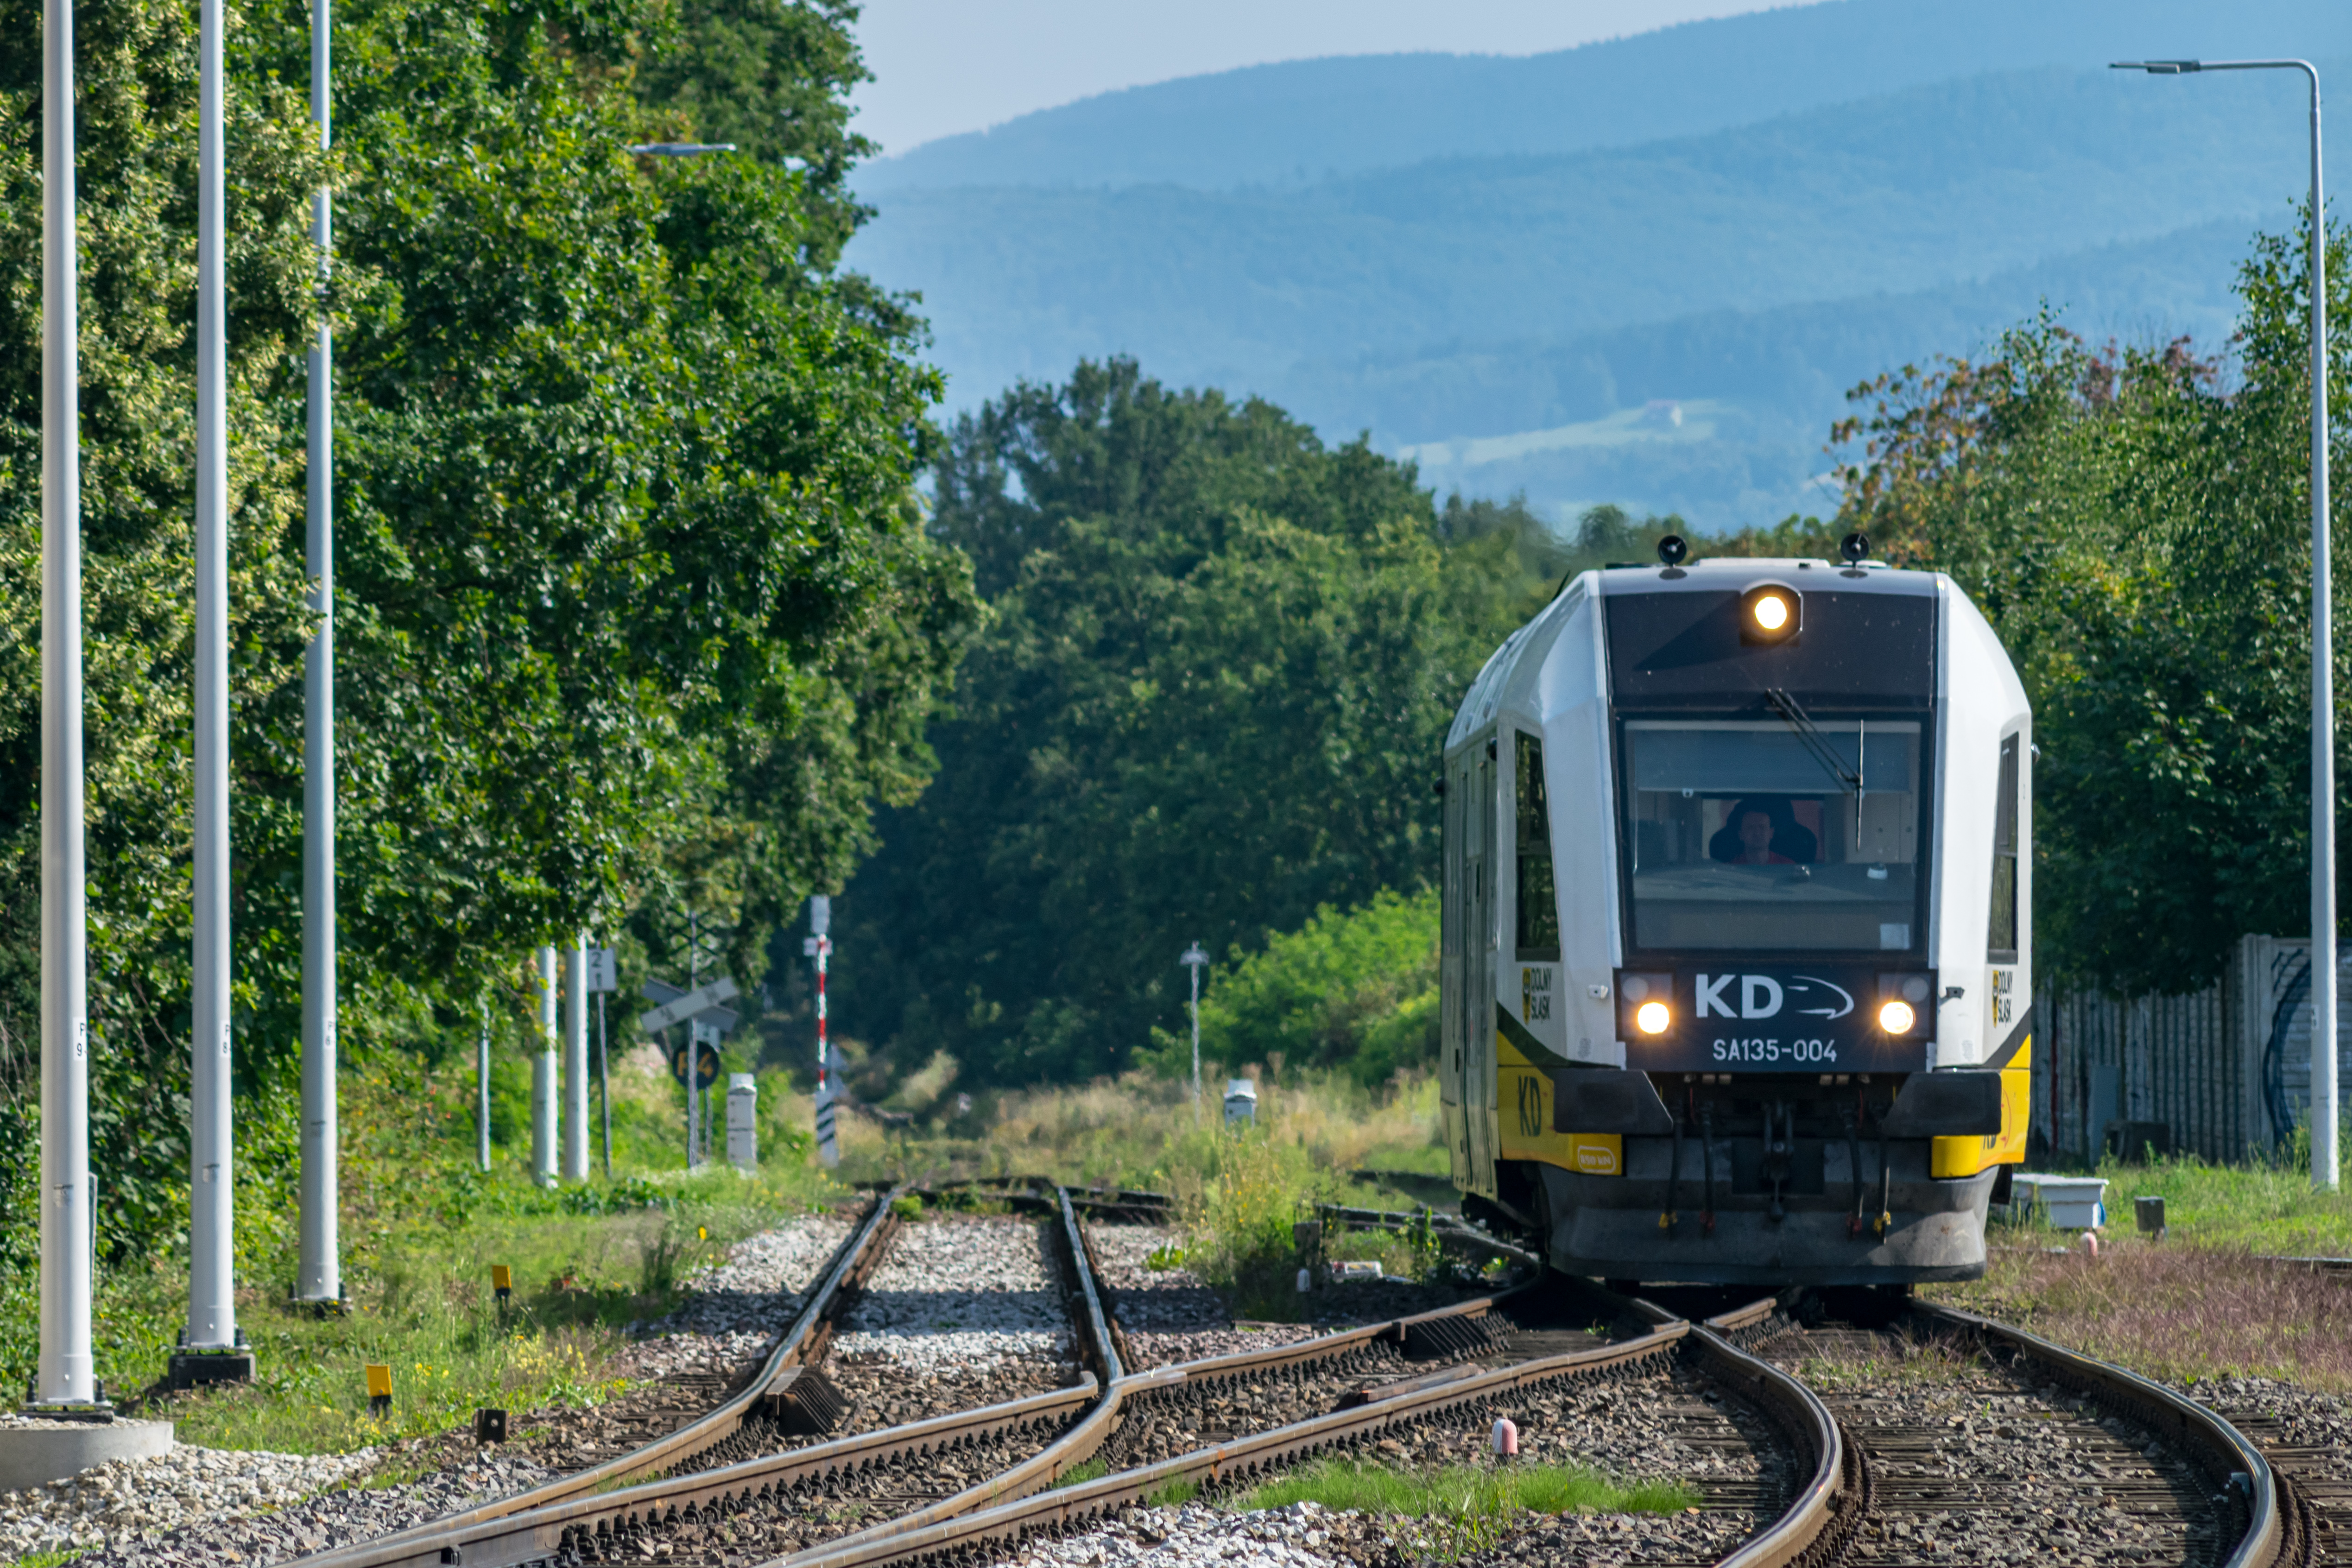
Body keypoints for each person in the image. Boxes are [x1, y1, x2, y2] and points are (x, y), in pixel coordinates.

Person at [1708, 796, 1817, 865]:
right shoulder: (1730, 869)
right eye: (1751, 828)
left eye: (1762, 827)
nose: (1757, 833)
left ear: (1771, 833)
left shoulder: (1788, 867)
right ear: (1741, 835)